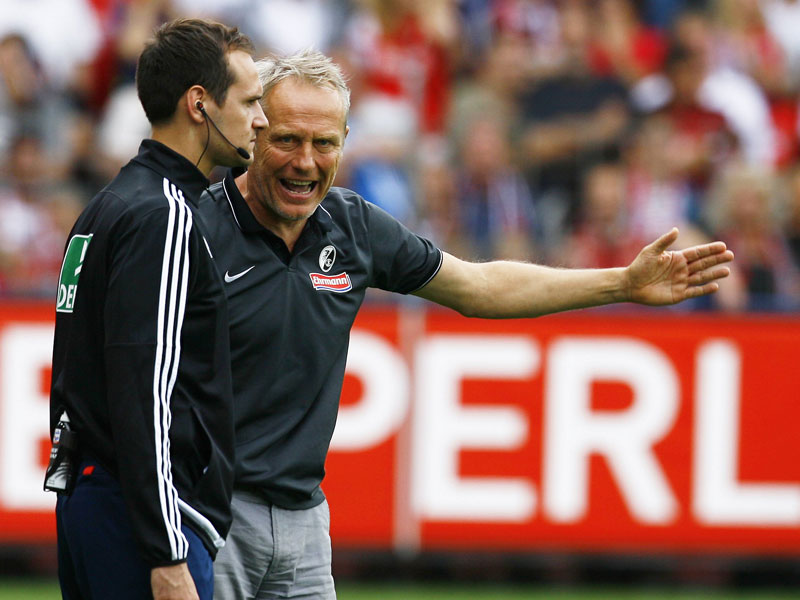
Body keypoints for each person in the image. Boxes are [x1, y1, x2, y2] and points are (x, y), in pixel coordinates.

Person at [197, 49, 734, 599]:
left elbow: (479, 288)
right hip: (211, 513)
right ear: (254, 130)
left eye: (325, 143)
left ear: (345, 140)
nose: (306, 162)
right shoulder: (194, 229)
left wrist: (621, 284)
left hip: (306, 522)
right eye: (288, 140)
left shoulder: (352, 224)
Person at [47, 18, 267, 600]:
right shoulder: (164, 215)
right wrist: (167, 549)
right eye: (249, 101)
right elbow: (143, 388)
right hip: (139, 517)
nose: (261, 120)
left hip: (92, 501)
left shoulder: (109, 203)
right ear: (200, 103)